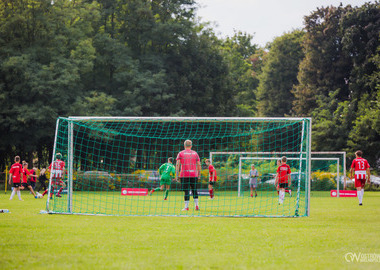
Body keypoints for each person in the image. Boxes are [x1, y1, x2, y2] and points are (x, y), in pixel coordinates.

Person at [176, 140, 201, 211]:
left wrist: (177, 175)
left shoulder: (180, 153)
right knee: (194, 190)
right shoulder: (195, 153)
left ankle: (186, 207)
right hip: (194, 174)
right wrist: (199, 174)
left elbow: (178, 164)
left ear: (184, 146)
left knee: (186, 191)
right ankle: (197, 206)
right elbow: (199, 164)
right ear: (191, 146)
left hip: (184, 174)